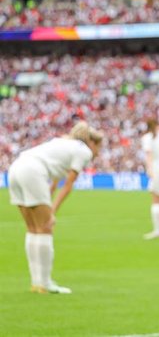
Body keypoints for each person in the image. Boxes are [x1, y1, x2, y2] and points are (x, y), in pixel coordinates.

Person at [8, 120, 103, 294]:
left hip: (15, 168)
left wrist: (49, 201)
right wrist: (52, 211)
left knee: (33, 228)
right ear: (92, 143)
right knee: (45, 227)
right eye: (99, 147)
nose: (98, 152)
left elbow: (55, 181)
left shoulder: (62, 143)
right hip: (32, 171)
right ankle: (46, 283)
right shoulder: (84, 152)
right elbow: (68, 184)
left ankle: (36, 282)